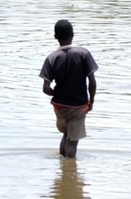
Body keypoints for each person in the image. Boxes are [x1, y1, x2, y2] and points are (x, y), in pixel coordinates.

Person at [40, 19, 98, 159]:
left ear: (55, 37)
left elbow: (46, 89)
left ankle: (62, 167)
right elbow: (92, 83)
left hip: (59, 107)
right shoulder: (83, 54)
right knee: (72, 142)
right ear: (73, 35)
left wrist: (60, 93)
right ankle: (69, 171)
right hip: (78, 106)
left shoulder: (51, 58)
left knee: (66, 134)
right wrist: (91, 101)